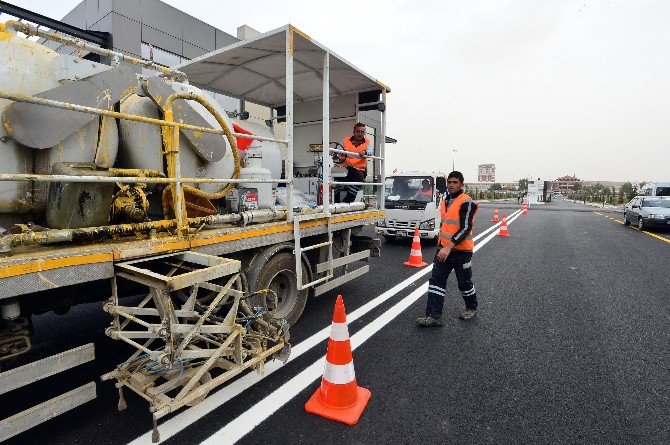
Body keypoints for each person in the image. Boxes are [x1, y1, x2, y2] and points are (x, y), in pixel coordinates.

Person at [417, 171, 479, 326]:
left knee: (464, 282)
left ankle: (471, 307)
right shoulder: (445, 201)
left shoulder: (467, 202)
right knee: (436, 281)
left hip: (461, 251)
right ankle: (432, 316)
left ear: (461, 185)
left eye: (455, 182)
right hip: (444, 248)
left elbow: (465, 228)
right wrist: (442, 246)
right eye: (449, 182)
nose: (451, 185)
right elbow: (445, 225)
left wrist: (449, 247)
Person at [335, 123, 369, 203]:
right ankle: (335, 200)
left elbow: (370, 152)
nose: (360, 134)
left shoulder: (367, 142)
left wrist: (365, 152)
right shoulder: (345, 140)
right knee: (336, 176)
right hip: (345, 168)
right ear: (354, 132)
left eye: (362, 132)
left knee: (359, 177)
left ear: (364, 133)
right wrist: (334, 154)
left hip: (358, 169)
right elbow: (337, 151)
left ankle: (347, 202)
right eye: (358, 131)